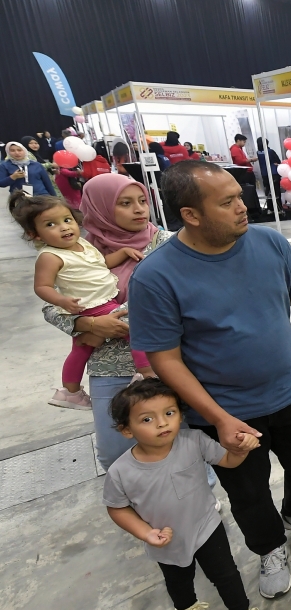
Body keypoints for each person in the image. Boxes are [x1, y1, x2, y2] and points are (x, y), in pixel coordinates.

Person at [127, 160, 291, 599]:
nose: (242, 206)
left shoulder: (270, 243)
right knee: (247, 490)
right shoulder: (155, 277)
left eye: (239, 196)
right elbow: (165, 359)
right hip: (225, 410)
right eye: (227, 202)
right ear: (191, 214)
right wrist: (218, 418)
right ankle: (269, 548)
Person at [103, 379, 273, 610]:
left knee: (226, 574)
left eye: (169, 413)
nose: (162, 423)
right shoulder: (120, 472)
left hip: (206, 525)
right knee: (178, 580)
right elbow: (117, 508)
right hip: (165, 536)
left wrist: (241, 450)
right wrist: (146, 533)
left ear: (180, 415)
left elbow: (227, 461)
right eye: (147, 419)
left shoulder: (194, 440)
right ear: (126, 429)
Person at [42, 174, 171, 469]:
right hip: (108, 365)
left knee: (179, 442)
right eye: (124, 203)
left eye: (142, 201)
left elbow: (176, 297)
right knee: (115, 453)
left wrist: (111, 319)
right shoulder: (78, 250)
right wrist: (85, 325)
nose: (139, 209)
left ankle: (192, 493)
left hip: (165, 360)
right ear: (98, 209)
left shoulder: (166, 244)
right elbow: (50, 306)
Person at [8, 189, 154, 409]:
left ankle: (70, 391)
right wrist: (62, 301)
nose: (64, 227)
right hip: (91, 305)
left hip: (100, 302)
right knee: (134, 330)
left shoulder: (83, 245)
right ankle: (146, 373)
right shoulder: (51, 256)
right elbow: (42, 286)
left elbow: (101, 263)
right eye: (51, 224)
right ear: (34, 234)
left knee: (81, 348)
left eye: (67, 220)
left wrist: (124, 251)